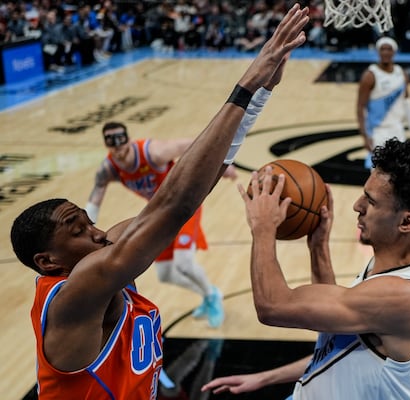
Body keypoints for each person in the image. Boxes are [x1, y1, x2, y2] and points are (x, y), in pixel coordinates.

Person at [9, 5, 309, 399]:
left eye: (89, 222)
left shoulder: (104, 258)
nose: (98, 235)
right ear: (48, 262)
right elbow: (174, 205)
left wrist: (259, 95)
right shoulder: (74, 295)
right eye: (78, 231)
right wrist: (247, 84)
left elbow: (194, 188)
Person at [203, 136, 410, 399]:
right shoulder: (389, 269)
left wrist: (262, 228)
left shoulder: (403, 295)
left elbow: (273, 307)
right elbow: (336, 328)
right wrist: (318, 248)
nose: (357, 206)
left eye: (371, 201)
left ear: (406, 222)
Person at [85, 121, 239, 328]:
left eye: (122, 145)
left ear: (128, 141)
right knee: (166, 274)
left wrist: (224, 162)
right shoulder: (108, 169)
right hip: (161, 212)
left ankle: (212, 297)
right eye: (113, 146)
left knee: (184, 263)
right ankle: (210, 292)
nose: (119, 151)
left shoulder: (153, 153)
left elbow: (195, 144)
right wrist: (85, 230)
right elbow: (94, 201)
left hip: (185, 201)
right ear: (108, 147)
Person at [357, 36, 410, 169]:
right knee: (377, 175)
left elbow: (407, 103)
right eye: (382, 49)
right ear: (378, 52)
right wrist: (365, 136)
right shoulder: (370, 75)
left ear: (394, 52)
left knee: (400, 174)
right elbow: (360, 107)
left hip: (398, 130)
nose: (385, 52)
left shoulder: (402, 73)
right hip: (378, 132)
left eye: (388, 49)